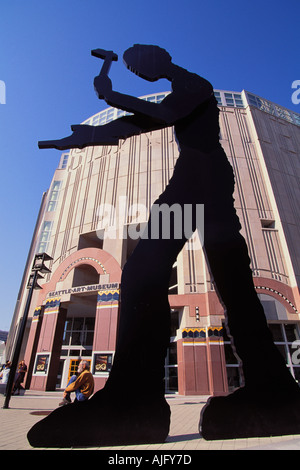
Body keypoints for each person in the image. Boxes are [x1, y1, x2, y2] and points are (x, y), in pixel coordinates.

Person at [28, 44, 300, 447]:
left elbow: (162, 115)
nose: (138, 73)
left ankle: (135, 398)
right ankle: (271, 385)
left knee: (144, 270)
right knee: (232, 282)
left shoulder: (194, 84)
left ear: (157, 59)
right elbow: (137, 124)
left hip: (199, 178)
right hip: (203, 177)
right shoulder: (182, 90)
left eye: (138, 66)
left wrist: (110, 95)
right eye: (133, 71)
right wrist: (86, 136)